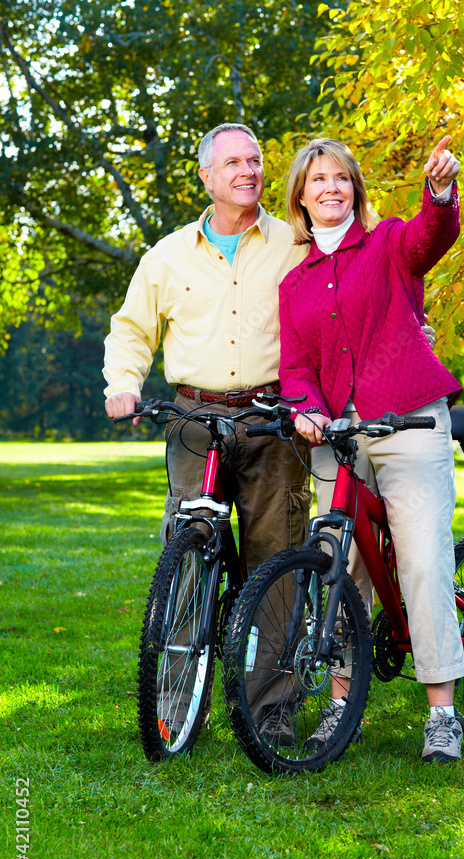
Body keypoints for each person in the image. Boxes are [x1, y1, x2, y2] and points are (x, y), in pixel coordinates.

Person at [103, 123, 312, 739]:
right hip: (194, 421)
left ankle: (271, 709)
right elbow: (131, 330)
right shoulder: (166, 256)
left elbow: (351, 274)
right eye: (233, 163)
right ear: (206, 176)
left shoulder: (295, 241)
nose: (247, 171)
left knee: (274, 561)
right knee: (188, 555)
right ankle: (177, 697)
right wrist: (124, 382)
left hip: (273, 419)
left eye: (255, 160)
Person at [278, 135, 464, 764]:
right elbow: (297, 368)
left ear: (354, 190)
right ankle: (342, 703)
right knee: (338, 562)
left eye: (341, 178)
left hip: (408, 419)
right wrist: (305, 409)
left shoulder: (386, 242)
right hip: (336, 432)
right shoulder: (294, 284)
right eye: (318, 180)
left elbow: (429, 238)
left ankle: (442, 713)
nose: (330, 188)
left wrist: (439, 194)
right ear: (301, 198)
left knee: (419, 560)